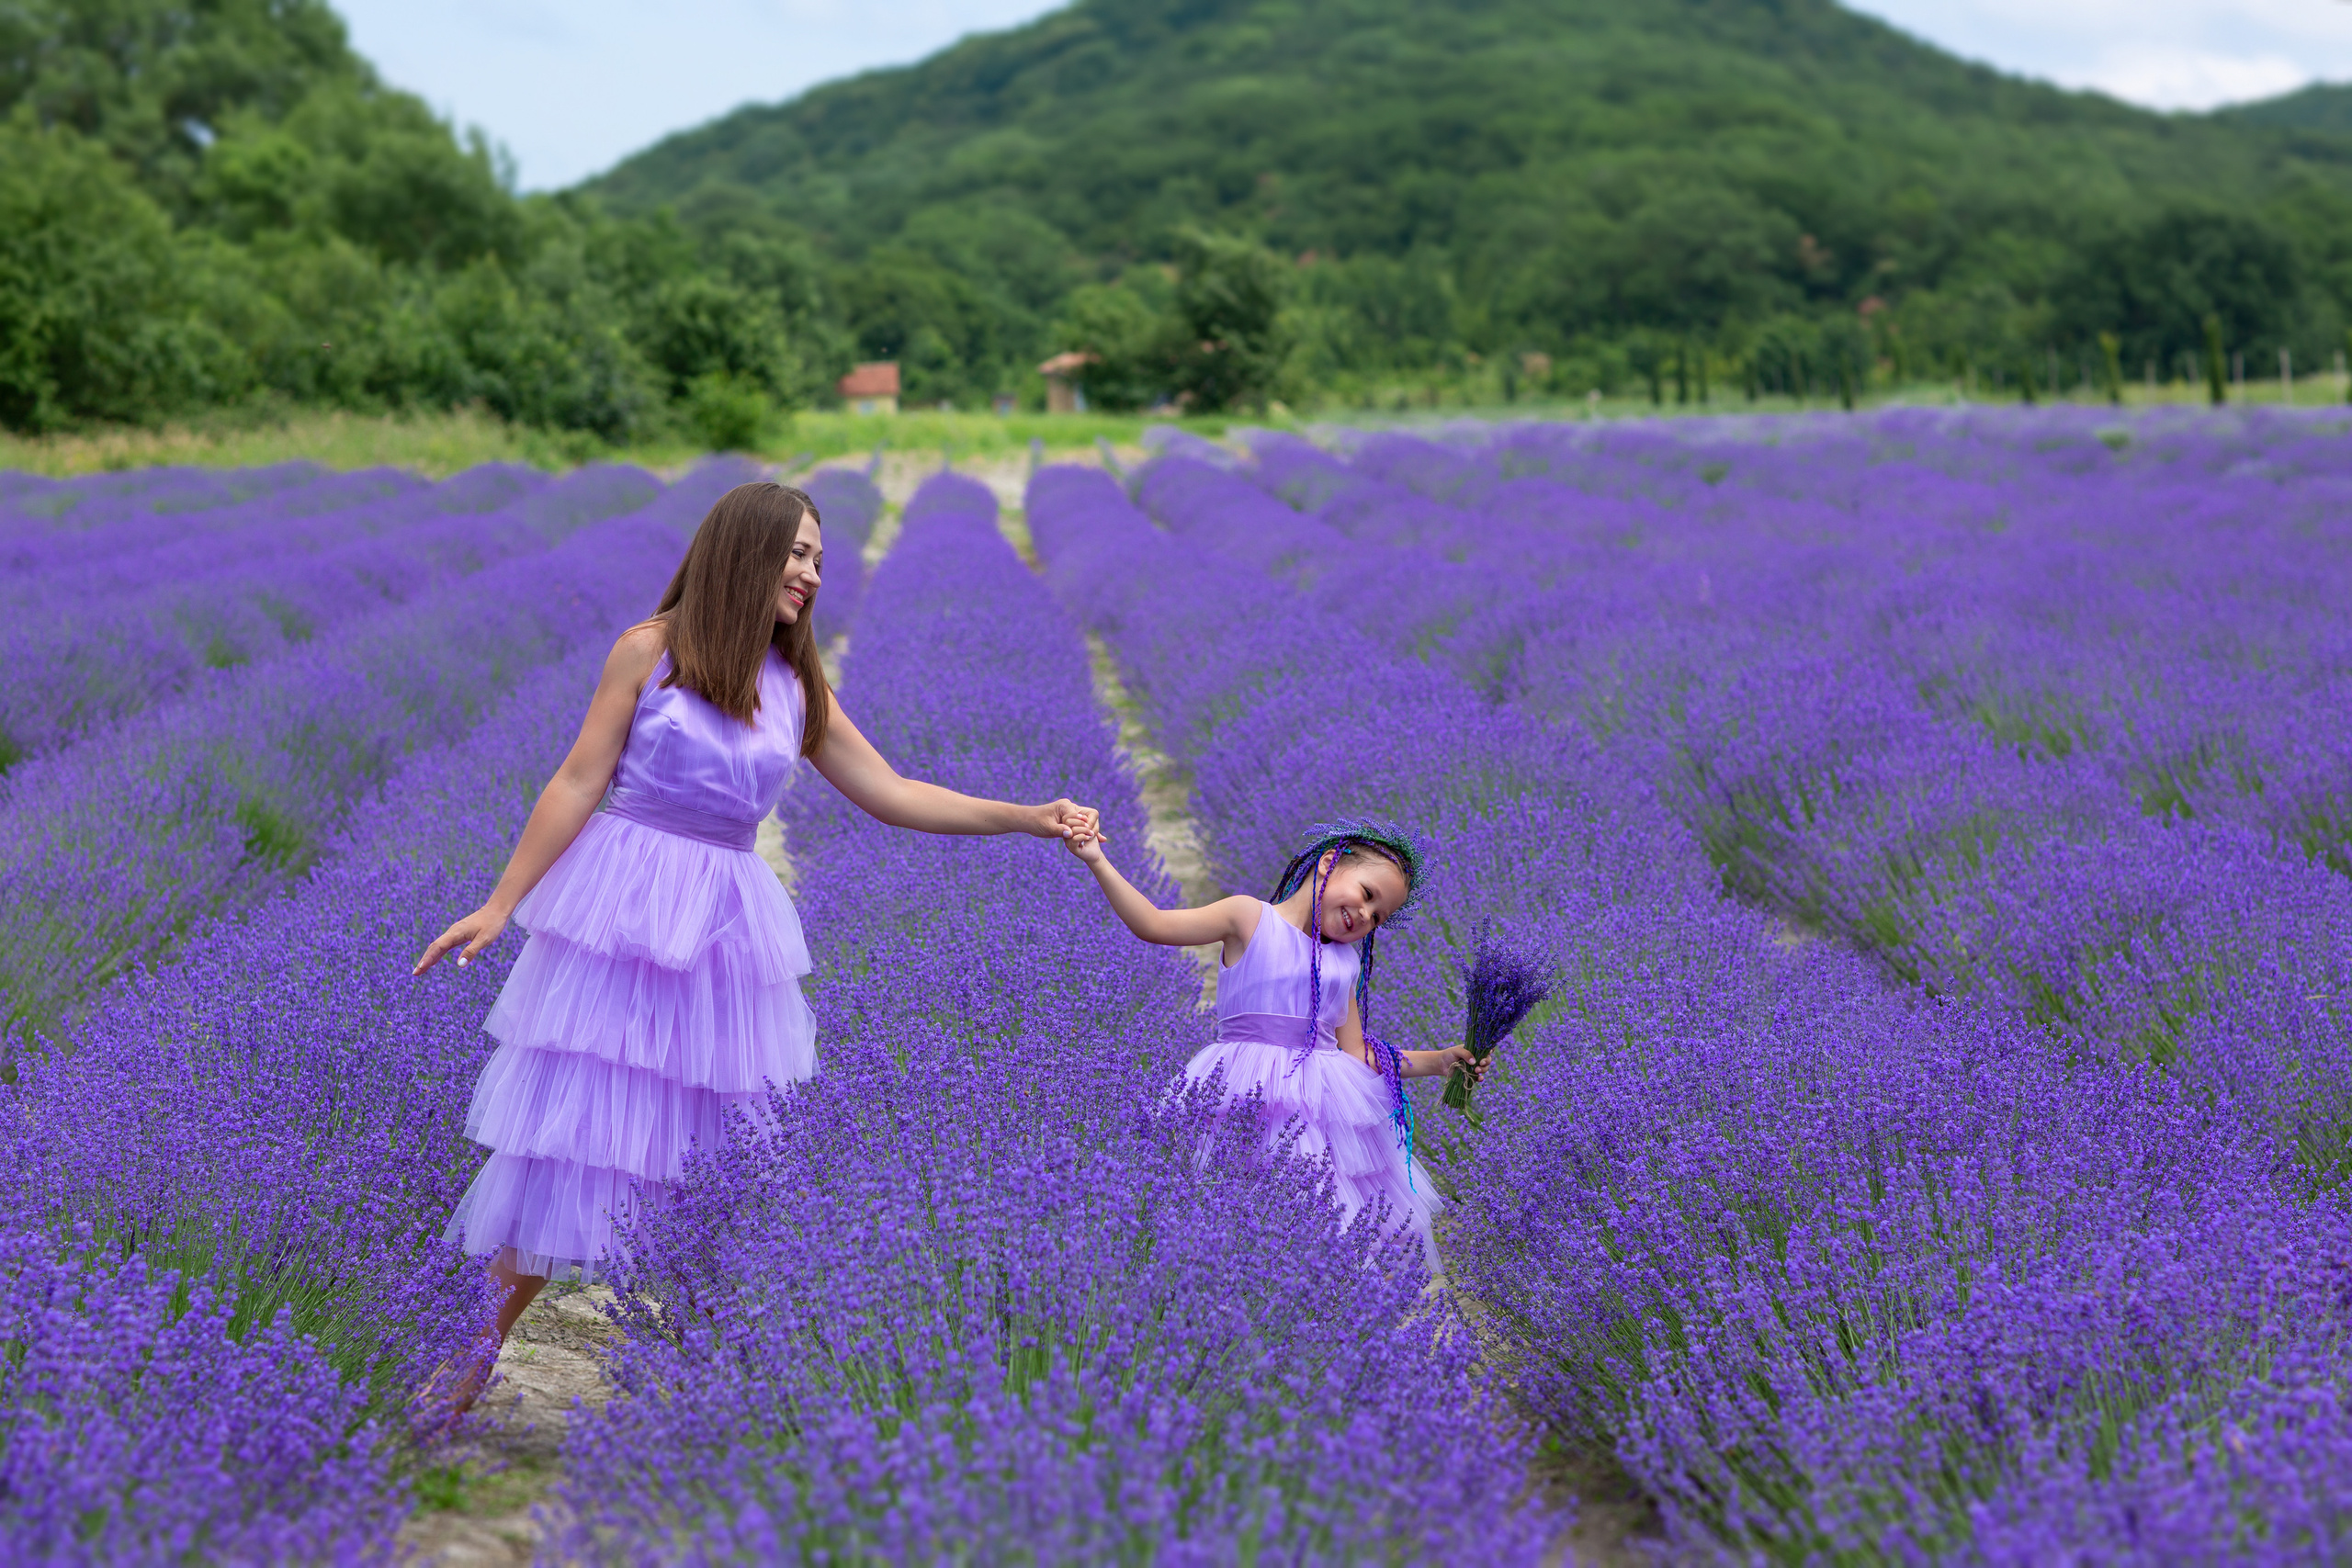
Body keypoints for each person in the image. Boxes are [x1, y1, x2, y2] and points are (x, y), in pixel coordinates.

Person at [414, 480, 1100, 1401]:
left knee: (714, 1154)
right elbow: (578, 781)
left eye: (819, 559)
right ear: (745, 552)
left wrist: (1025, 817)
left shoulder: (795, 687)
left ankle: (694, 1387)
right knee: (569, 1139)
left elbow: (892, 792)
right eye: (799, 554)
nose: (813, 574)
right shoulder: (646, 654)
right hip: (621, 910)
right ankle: (471, 1364)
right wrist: (503, 903)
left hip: (726, 928)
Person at [1063, 819, 1476, 1275]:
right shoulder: (1249, 917)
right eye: (1366, 893)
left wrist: (1438, 1062)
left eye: (1378, 917)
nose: (1365, 914)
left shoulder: (1345, 960)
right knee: (1219, 1209)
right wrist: (1097, 861)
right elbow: (1154, 924)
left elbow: (1358, 1053)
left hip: (1321, 1109)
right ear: (1328, 864)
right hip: (1240, 1092)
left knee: (1323, 1230)